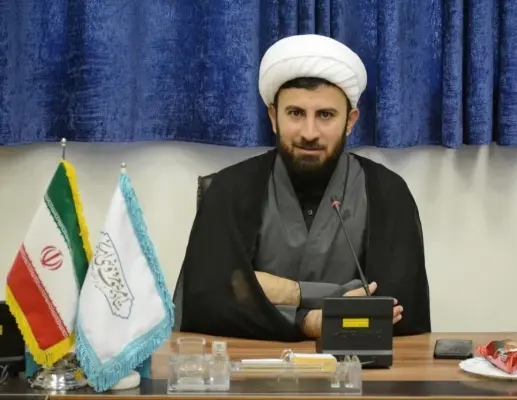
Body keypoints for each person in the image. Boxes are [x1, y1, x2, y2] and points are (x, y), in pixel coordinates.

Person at [174, 34, 431, 341]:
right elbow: (209, 303)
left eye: (326, 115)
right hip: (251, 365)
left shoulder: (387, 192)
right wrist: (310, 319)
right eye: (295, 113)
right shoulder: (230, 188)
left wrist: (286, 292)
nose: (309, 133)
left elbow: (396, 308)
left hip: (356, 363)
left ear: (350, 121)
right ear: (274, 117)